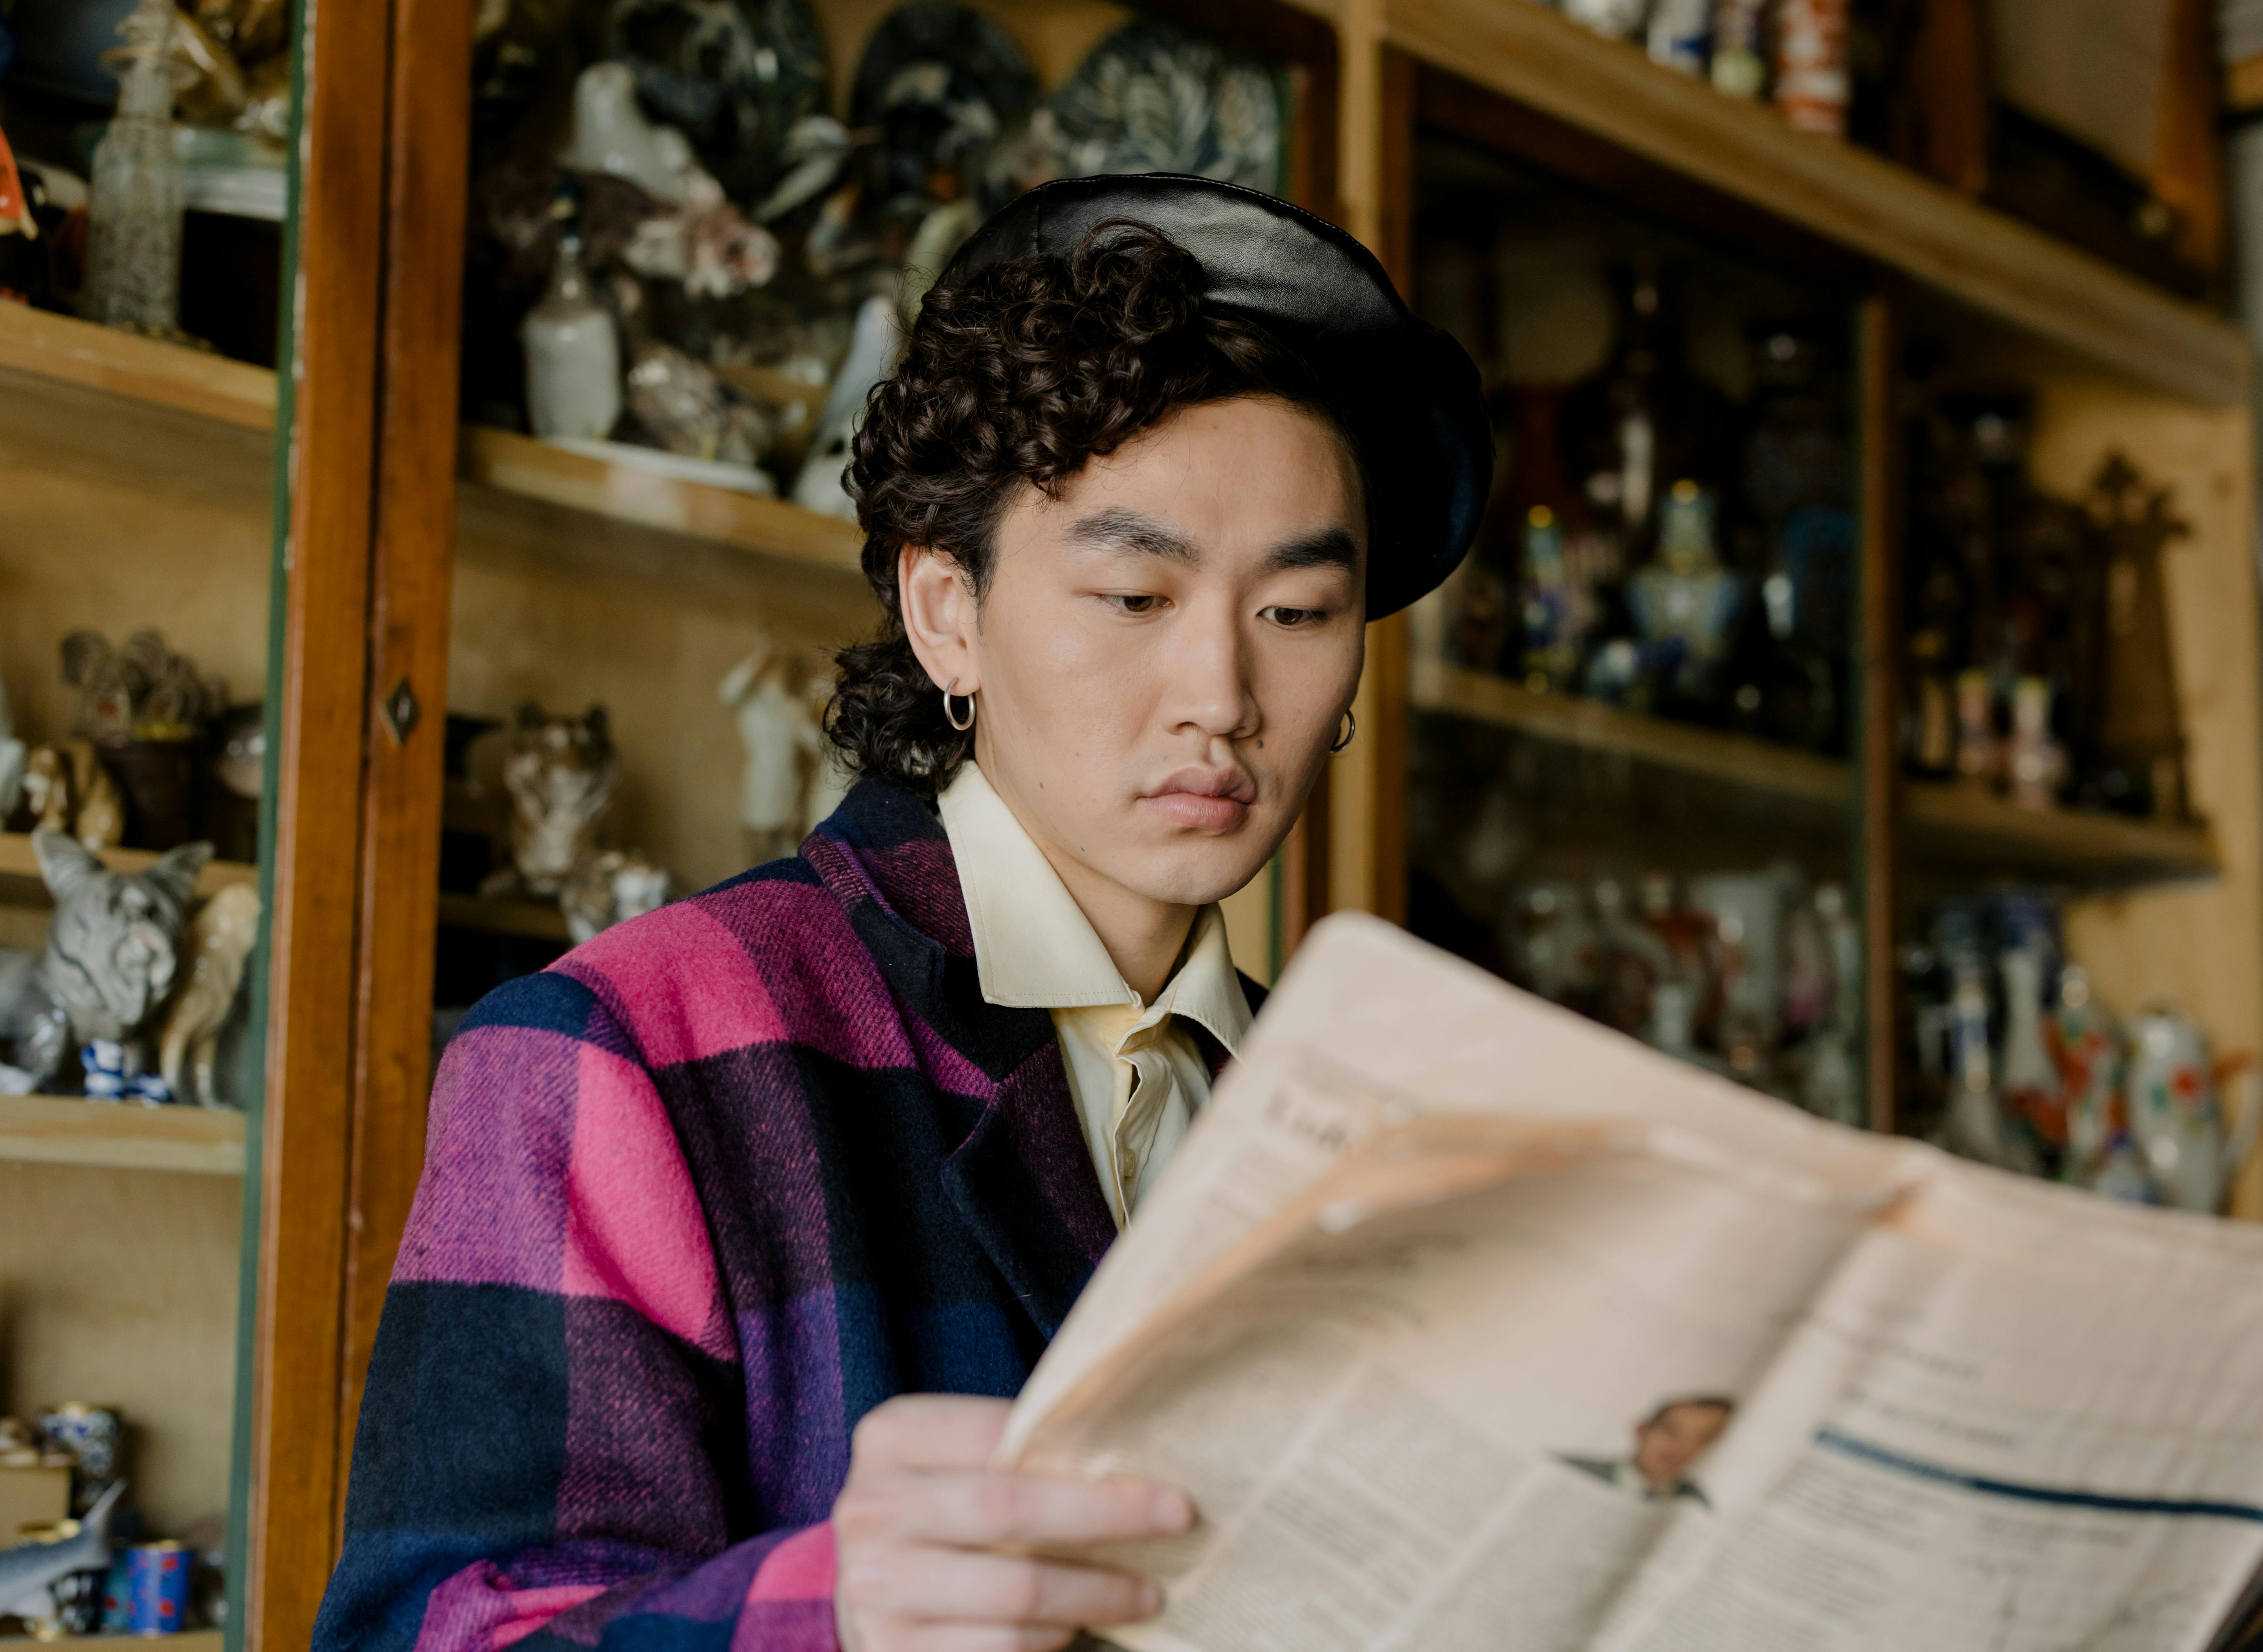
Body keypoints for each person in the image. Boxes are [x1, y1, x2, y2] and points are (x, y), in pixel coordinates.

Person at [312, 175, 1487, 1652]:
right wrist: (837, 1612)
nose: (1222, 697)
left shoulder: (1350, 1123)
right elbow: (427, 1630)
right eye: (1134, 594)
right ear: (947, 612)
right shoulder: (632, 1043)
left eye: (1296, 614)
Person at [1562, 1395, 1736, 1505]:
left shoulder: (1695, 1503)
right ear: (1642, 1430)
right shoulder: (1570, 1473)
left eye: (1699, 1440)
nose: (1681, 1448)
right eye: (1671, 1432)